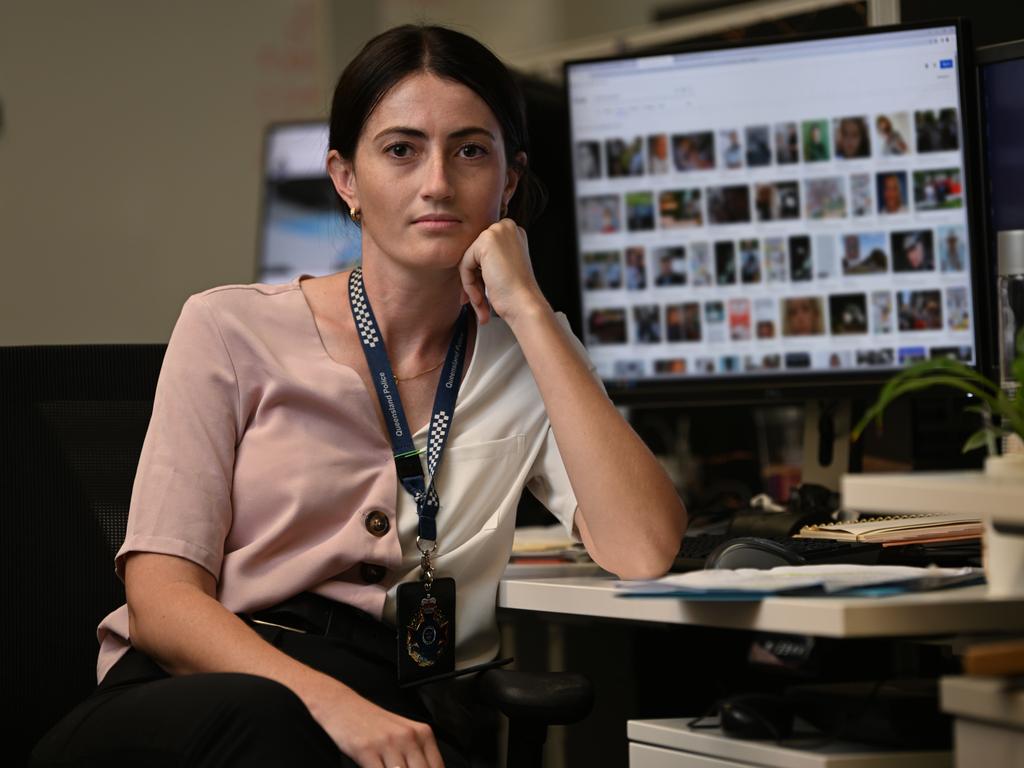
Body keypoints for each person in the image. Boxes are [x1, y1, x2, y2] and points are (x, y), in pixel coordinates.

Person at [32, 25, 686, 768]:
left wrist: (532, 311)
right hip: (205, 692)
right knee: (268, 726)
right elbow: (161, 598)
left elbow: (644, 547)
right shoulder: (227, 326)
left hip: (397, 707)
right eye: (401, 150)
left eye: (471, 150)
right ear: (346, 178)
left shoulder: (529, 350)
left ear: (509, 180)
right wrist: (330, 704)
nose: (437, 181)